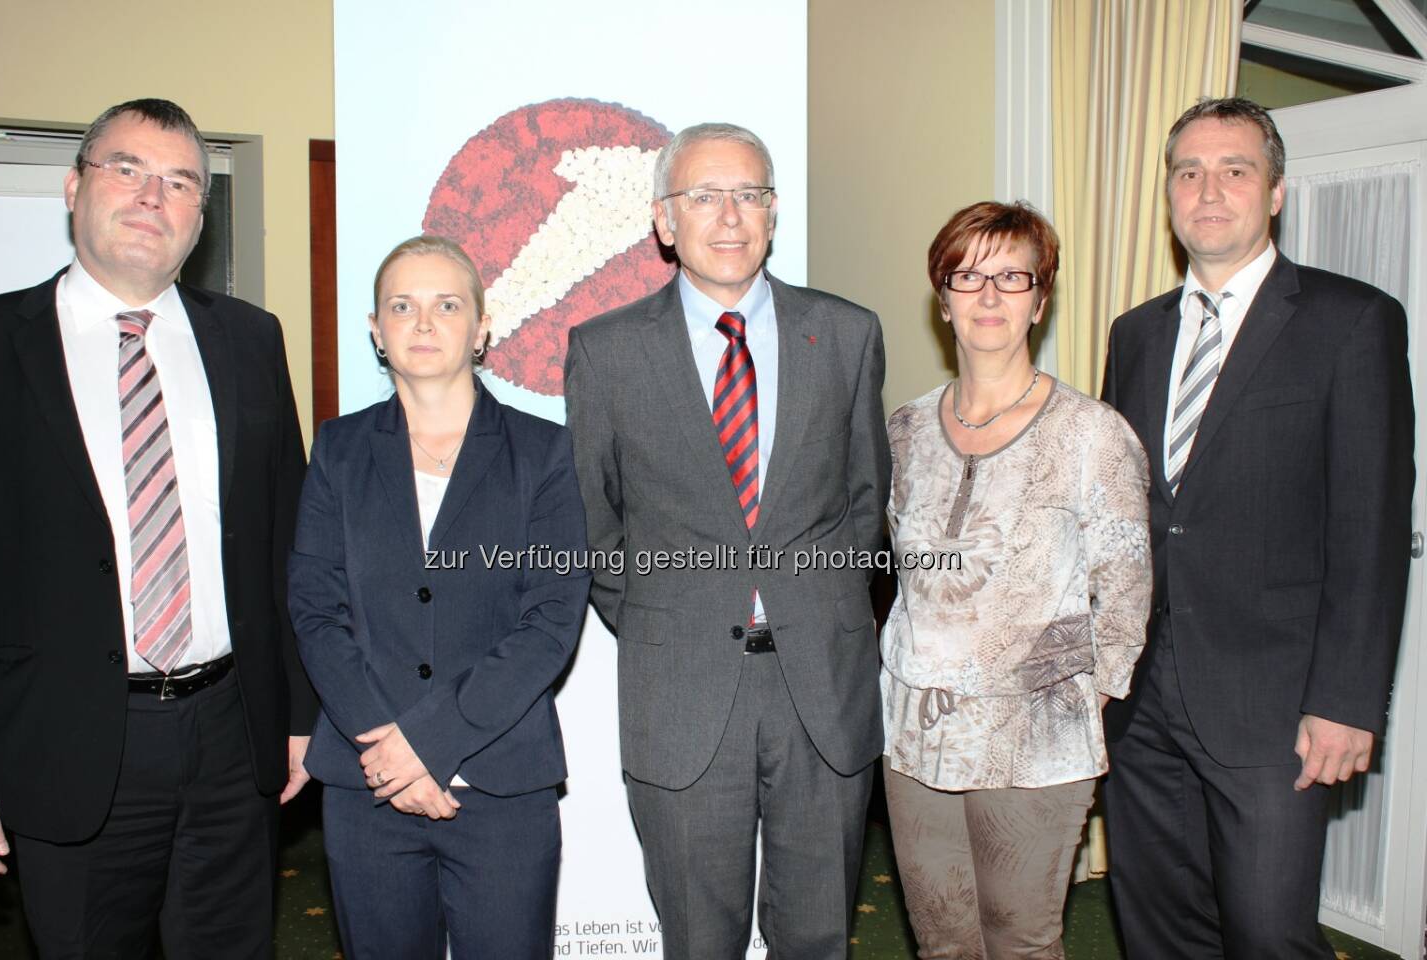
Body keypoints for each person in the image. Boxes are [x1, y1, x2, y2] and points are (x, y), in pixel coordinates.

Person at [0, 98, 316, 957]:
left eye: (178, 183)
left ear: (198, 218)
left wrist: (298, 711)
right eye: (126, 169)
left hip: (231, 734)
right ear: (73, 187)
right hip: (63, 743)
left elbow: (289, 538)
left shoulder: (250, 340)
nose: (150, 197)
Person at [564, 122, 890, 959]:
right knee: (698, 940)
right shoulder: (605, 353)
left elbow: (864, 504)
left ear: (773, 214)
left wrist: (819, 605)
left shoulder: (847, 336)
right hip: (681, 690)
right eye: (704, 196)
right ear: (664, 222)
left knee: (817, 934)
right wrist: (663, 617)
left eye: (750, 194)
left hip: (820, 683)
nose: (730, 216)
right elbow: (595, 525)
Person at [1101, 96, 1415, 959]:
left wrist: (1346, 702)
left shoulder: (1350, 322)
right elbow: (1130, 518)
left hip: (1276, 707)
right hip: (1140, 700)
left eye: (1235, 170)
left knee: (1271, 935)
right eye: (1189, 172)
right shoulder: (1136, 336)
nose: (1209, 189)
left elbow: (1372, 527)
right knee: (1158, 929)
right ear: (1168, 193)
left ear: (1275, 191)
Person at [289, 235, 590, 958]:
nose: (423, 324)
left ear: (482, 328)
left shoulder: (544, 453)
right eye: (403, 306)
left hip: (502, 783)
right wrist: (385, 748)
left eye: (446, 305)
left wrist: (428, 743)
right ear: (375, 330)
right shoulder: (337, 449)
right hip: (367, 784)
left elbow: (549, 622)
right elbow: (314, 607)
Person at [879, 201, 1151, 959]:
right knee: (942, 942)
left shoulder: (1090, 432)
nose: (989, 296)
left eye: (1011, 277)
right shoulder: (901, 430)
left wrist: (1077, 696)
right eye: (968, 276)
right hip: (913, 730)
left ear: (1041, 297)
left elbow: (1125, 590)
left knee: (1020, 942)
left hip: (1033, 737)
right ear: (942, 298)